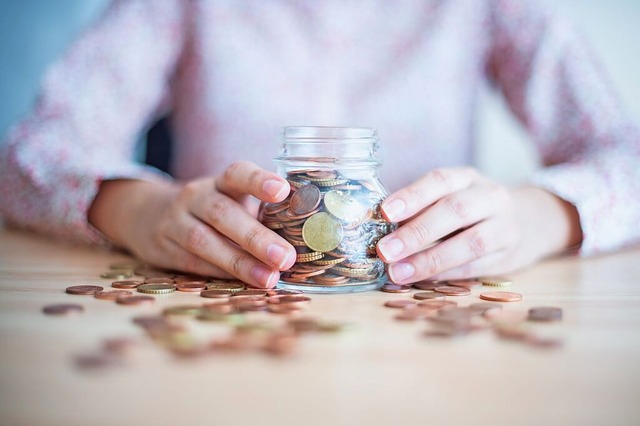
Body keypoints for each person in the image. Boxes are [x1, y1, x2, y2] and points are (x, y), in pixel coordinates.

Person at [1, 0, 638, 289]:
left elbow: (628, 157)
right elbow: (28, 155)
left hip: (423, 334)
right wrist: (139, 210)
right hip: (240, 306)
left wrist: (537, 216)